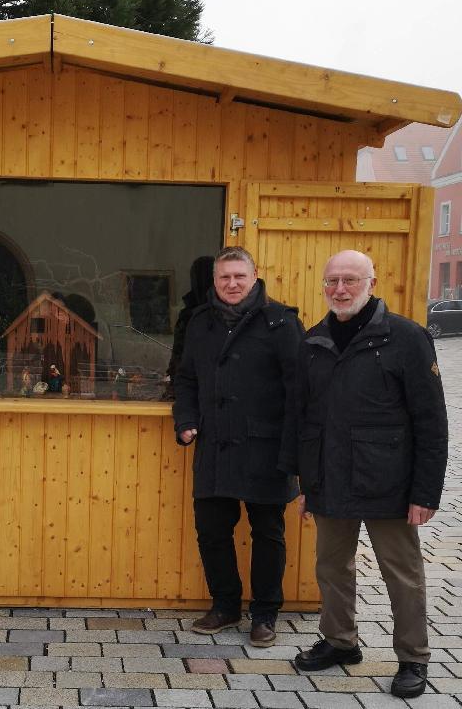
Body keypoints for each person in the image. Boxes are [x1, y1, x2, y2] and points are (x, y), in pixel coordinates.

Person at [290, 250, 447, 699]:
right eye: (332, 281)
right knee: (330, 567)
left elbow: (431, 421)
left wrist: (425, 492)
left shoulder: (406, 338)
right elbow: (305, 419)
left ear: (372, 283)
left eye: (350, 281)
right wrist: (306, 482)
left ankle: (413, 657)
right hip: (330, 480)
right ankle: (341, 642)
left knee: (402, 573)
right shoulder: (314, 341)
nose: (340, 289)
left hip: (390, 484)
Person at [174, 246, 302, 647]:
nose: (231, 284)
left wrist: (294, 448)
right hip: (215, 445)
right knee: (212, 530)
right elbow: (185, 379)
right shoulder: (199, 323)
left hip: (266, 449)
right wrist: (187, 421)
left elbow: (300, 390)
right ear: (214, 280)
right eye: (224, 277)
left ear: (254, 276)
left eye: (239, 277)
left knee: (268, 532)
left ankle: (265, 613)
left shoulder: (281, 322)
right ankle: (226, 605)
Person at [163, 255, 214, 400]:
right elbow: (179, 353)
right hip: (191, 390)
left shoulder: (194, 315)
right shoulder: (189, 313)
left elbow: (181, 355)